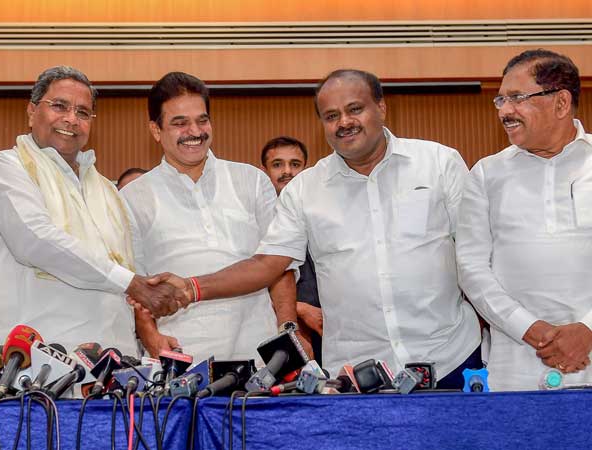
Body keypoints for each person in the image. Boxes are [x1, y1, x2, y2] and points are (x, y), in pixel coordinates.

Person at [149, 69, 482, 388]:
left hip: (450, 357)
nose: (344, 122)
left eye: (355, 109)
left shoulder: (438, 163)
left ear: (381, 107)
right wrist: (192, 287)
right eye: (331, 115)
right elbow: (268, 264)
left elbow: (475, 256)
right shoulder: (305, 190)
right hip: (354, 372)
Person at [0, 66, 181, 354]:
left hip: (114, 356)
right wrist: (132, 284)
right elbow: (36, 240)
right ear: (31, 112)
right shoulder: (7, 168)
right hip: (39, 355)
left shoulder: (107, 190)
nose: (71, 119)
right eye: (59, 106)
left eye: (83, 112)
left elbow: (135, 266)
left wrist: (151, 325)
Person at [120, 72, 295, 361]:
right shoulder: (132, 197)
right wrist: (150, 336)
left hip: (259, 351)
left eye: (202, 120)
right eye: (180, 123)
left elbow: (279, 266)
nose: (195, 131)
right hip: (182, 357)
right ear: (156, 130)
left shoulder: (251, 180)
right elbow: (135, 286)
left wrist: (288, 331)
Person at [456, 49, 592, 391]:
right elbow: (472, 269)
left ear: (561, 103)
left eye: (517, 98)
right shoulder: (486, 174)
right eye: (501, 100)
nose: (504, 111)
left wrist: (588, 330)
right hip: (517, 364)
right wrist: (531, 330)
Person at [261, 136, 323, 364]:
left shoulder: (321, 214)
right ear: (264, 171)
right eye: (277, 164)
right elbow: (245, 285)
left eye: (295, 164)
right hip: (279, 331)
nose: (287, 171)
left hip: (328, 331)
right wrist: (299, 309)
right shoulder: (255, 220)